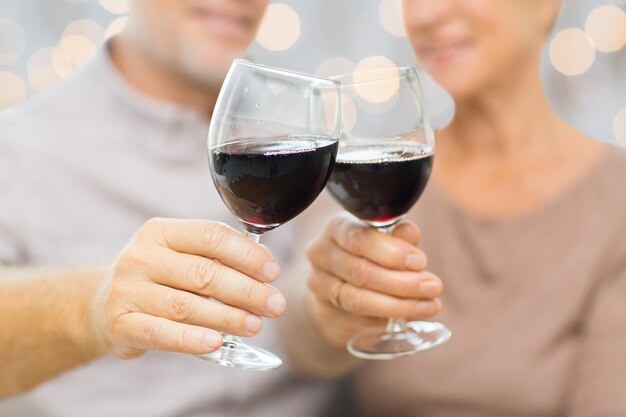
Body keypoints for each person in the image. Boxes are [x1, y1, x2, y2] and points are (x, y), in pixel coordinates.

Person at [0, 1, 446, 416]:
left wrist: (334, 304)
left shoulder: (304, 118)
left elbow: (302, 322)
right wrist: (92, 305)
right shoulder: (18, 151)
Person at [282, 0, 626, 415]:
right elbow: (299, 326)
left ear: (543, 7)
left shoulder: (615, 203)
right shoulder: (387, 169)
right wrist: (329, 308)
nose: (426, 15)